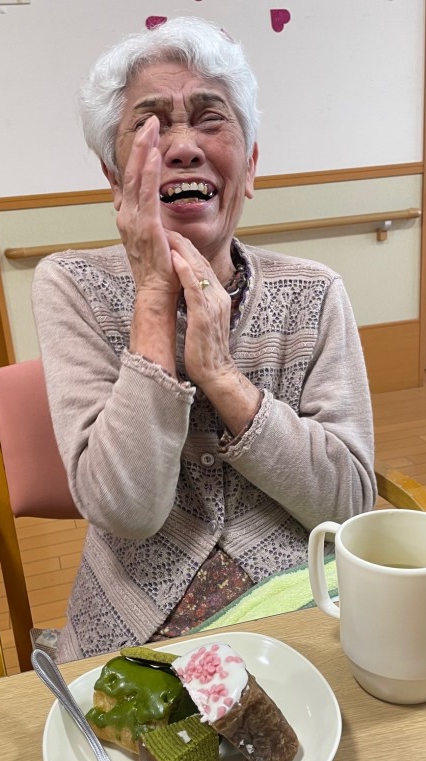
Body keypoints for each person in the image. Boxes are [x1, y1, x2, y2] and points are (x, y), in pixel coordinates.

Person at [32, 17, 376, 663]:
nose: (184, 146)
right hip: (137, 625)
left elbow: (351, 502)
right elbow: (126, 510)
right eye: (151, 122)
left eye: (210, 119)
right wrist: (153, 300)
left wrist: (222, 376)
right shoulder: (71, 285)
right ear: (114, 175)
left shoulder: (315, 292)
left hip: (303, 605)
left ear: (250, 166)